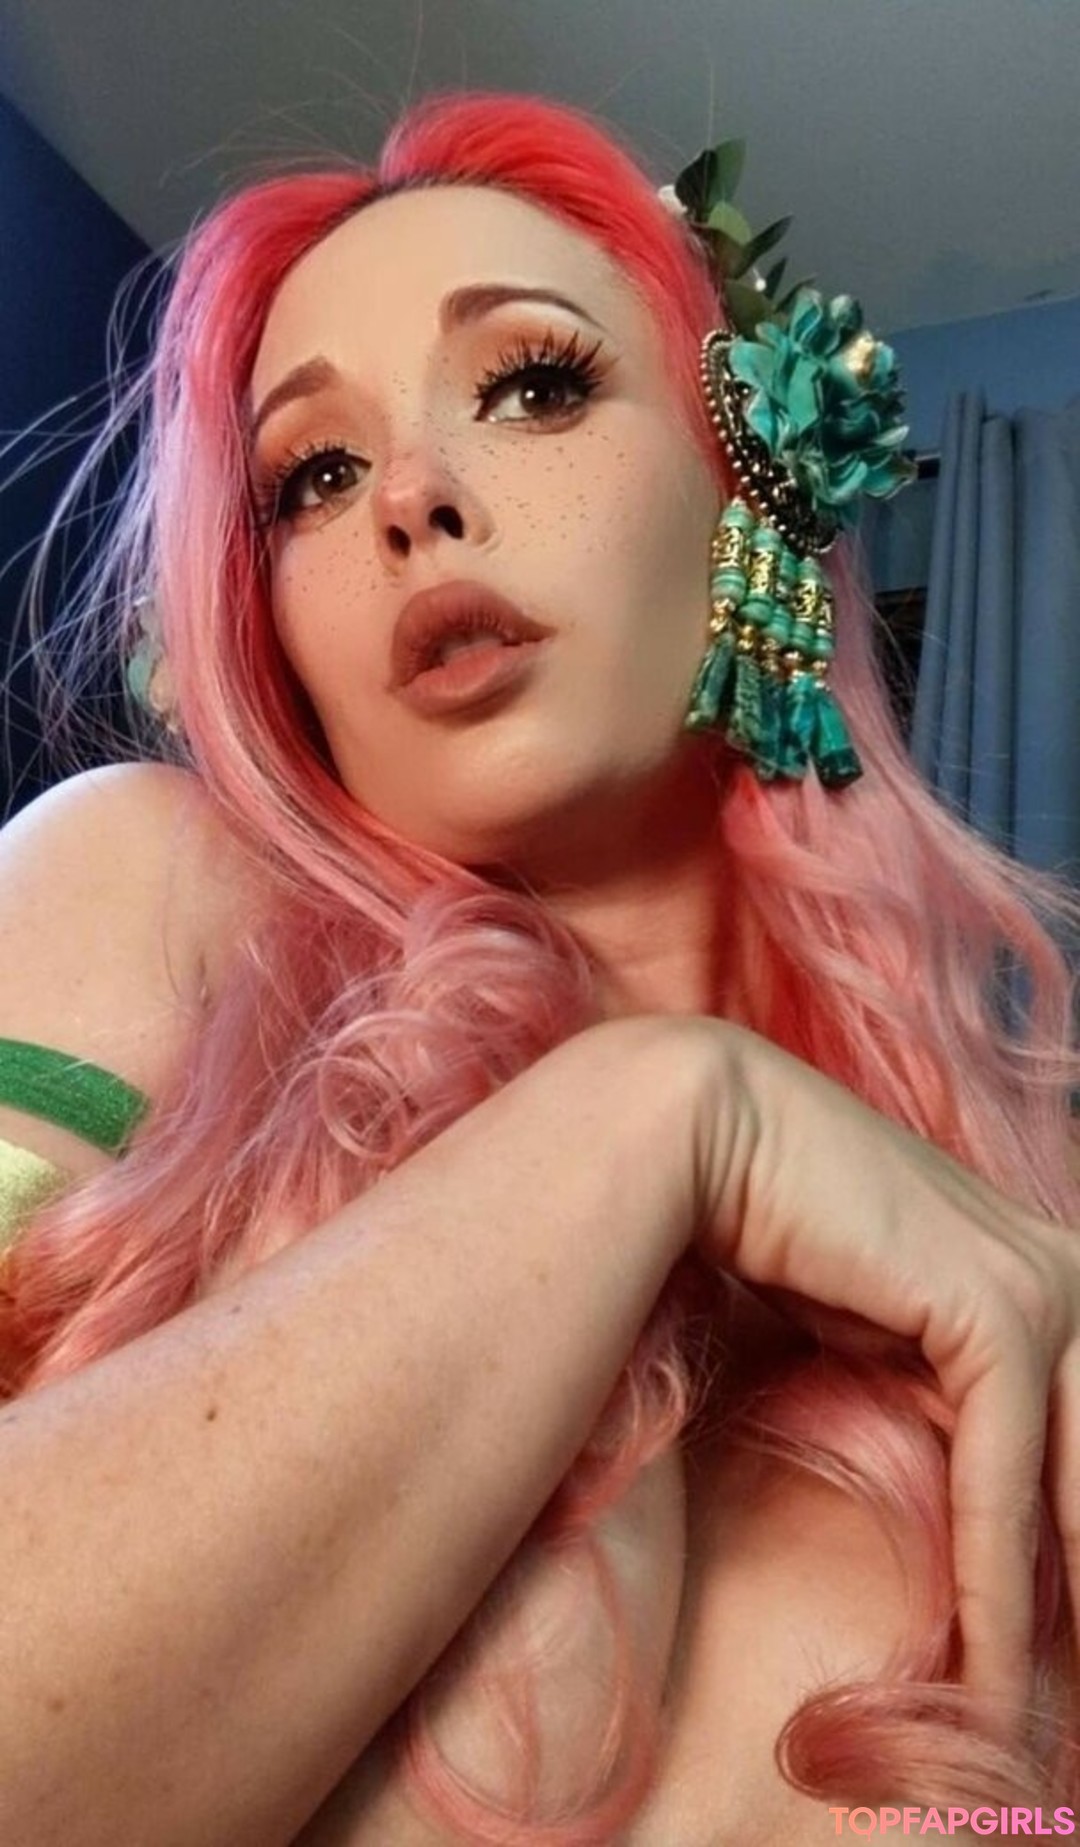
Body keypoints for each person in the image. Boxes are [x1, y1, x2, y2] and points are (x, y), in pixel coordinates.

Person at [0, 90, 1077, 1846]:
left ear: (747, 489)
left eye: (534, 384)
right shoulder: (142, 887)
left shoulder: (1033, 1264)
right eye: (314, 476)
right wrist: (659, 1119)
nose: (410, 500)